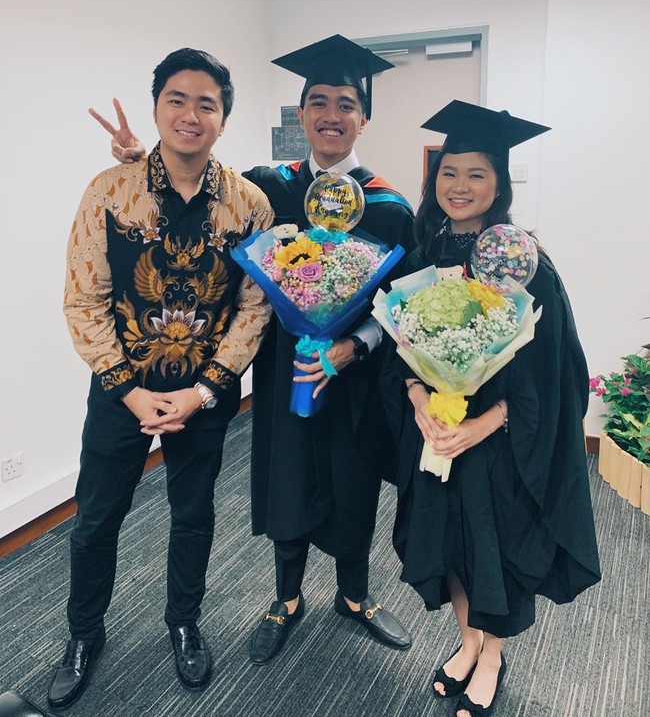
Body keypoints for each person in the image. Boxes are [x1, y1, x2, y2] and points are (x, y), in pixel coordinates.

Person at [96, 35, 415, 666]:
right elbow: (198, 189)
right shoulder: (270, 187)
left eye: (346, 103)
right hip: (281, 369)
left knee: (353, 483)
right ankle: (286, 598)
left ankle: (355, 595)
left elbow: (399, 305)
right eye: (317, 101)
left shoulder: (390, 207)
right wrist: (142, 159)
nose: (331, 114)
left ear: (363, 118)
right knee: (287, 478)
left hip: (352, 377)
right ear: (301, 117)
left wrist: (352, 346)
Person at [49, 48, 274, 711]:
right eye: (176, 99)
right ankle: (83, 636)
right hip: (123, 391)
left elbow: (254, 308)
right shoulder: (109, 192)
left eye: (206, 103)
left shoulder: (249, 205)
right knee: (95, 520)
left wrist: (203, 390)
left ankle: (184, 622)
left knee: (194, 516)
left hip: (205, 395)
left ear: (224, 118)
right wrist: (129, 387)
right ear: (155, 108)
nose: (190, 114)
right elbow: (83, 297)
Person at [382, 101, 601, 717]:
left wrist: (483, 423)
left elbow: (551, 376)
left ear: (499, 184)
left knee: (495, 546)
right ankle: (467, 641)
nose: (460, 186)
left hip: (500, 443)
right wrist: (423, 403)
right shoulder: (425, 256)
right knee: (448, 543)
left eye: (476, 174)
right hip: (439, 437)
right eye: (449, 172)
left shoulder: (527, 264)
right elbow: (400, 355)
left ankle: (493, 655)